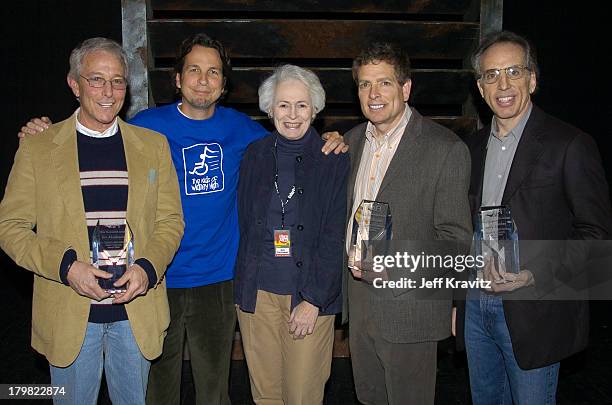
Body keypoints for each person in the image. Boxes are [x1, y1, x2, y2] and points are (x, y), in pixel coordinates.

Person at [18, 33, 346, 405]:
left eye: (213, 72)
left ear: (224, 84)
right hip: (156, 281)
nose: (203, 79)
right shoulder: (146, 127)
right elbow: (87, 133)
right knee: (156, 390)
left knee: (213, 388)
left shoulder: (246, 133)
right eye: (193, 70)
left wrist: (329, 138)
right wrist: (42, 131)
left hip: (220, 281)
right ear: (177, 79)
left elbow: (292, 136)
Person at [0, 37, 184, 405]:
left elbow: (171, 221)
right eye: (96, 79)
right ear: (74, 84)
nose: (108, 91)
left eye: (117, 81)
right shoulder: (38, 147)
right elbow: (11, 229)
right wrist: (68, 268)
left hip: (136, 313)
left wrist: (147, 269)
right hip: (70, 316)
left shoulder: (153, 146)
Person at [456, 31, 612, 404]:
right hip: (477, 307)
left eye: (514, 71)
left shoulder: (569, 144)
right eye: (491, 75)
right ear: (480, 88)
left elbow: (597, 238)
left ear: (533, 79)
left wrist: (533, 271)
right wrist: (458, 303)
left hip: (535, 308)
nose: (503, 84)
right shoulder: (471, 149)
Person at [342, 42, 472, 404]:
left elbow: (457, 242)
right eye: (364, 85)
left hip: (409, 310)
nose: (373, 94)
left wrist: (396, 265)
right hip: (360, 306)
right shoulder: (351, 143)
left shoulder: (444, 148)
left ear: (405, 88)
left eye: (383, 82)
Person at [234, 65, 349, 404]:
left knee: (302, 395)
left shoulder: (333, 159)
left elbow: (335, 234)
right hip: (258, 296)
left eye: (302, 105)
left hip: (308, 298)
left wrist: (313, 299)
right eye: (284, 105)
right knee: (265, 395)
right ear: (270, 109)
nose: (293, 114)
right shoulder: (254, 155)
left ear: (315, 109)